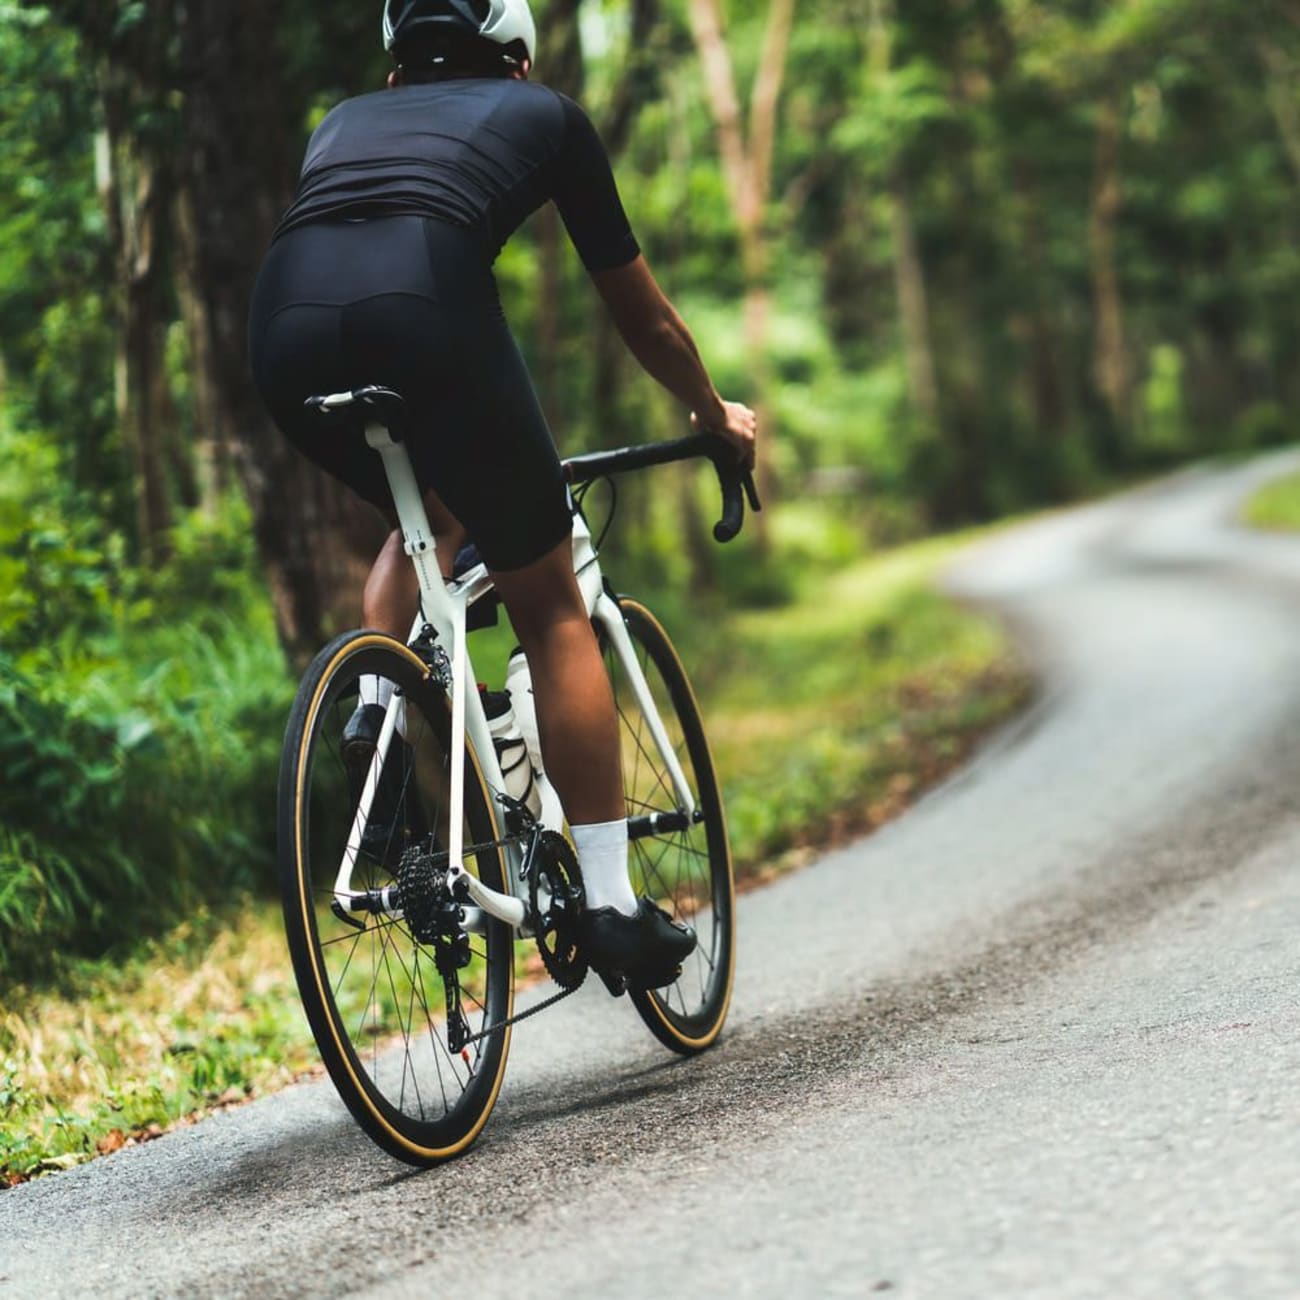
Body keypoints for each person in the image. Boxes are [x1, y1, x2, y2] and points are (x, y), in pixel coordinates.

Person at [248, 0, 757, 991]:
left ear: (394, 75)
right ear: (517, 62)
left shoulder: (340, 123)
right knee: (551, 602)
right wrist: (711, 413)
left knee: (429, 514)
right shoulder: (547, 116)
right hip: (425, 306)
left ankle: (384, 702)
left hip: (281, 331)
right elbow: (645, 321)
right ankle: (609, 902)